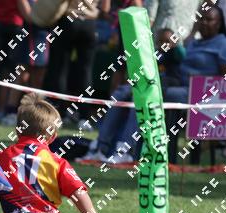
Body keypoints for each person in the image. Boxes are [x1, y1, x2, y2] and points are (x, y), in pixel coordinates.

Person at [79, 27, 186, 163]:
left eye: (167, 41)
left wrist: (175, 46)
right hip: (146, 85)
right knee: (120, 93)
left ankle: (125, 151)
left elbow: (180, 54)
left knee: (136, 96)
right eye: (160, 41)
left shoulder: (175, 54)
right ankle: (101, 148)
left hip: (164, 87)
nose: (163, 44)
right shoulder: (154, 54)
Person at [162, 4, 226, 163]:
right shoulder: (193, 42)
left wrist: (201, 81)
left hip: (203, 94)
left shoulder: (225, 46)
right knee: (133, 90)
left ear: (219, 23)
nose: (204, 23)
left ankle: (163, 155)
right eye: (201, 19)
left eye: (209, 20)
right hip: (180, 85)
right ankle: (113, 146)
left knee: (166, 94)